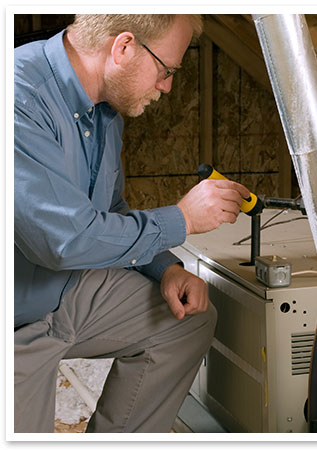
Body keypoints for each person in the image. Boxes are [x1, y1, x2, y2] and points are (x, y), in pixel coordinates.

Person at [14, 14, 251, 433]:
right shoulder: (18, 98)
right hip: (15, 320)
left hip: (65, 290)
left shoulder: (104, 111)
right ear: (123, 47)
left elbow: (112, 211)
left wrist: (167, 268)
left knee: (187, 321)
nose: (167, 86)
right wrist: (182, 219)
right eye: (166, 70)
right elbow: (64, 241)